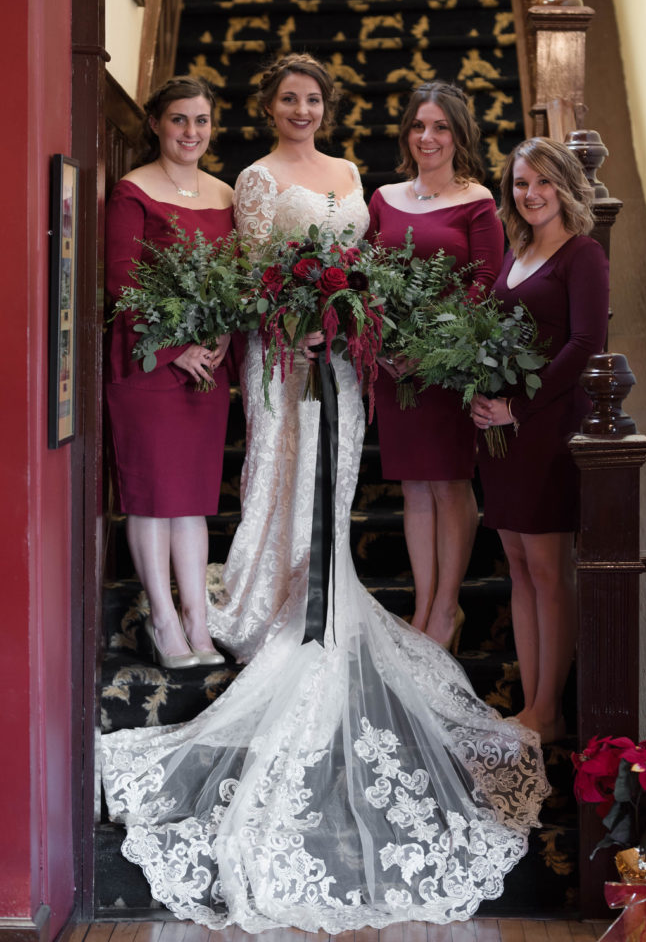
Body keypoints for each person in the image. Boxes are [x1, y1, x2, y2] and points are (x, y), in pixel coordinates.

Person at [100, 55, 550, 934]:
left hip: (346, 353)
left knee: (339, 478)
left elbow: (365, 259)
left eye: (313, 99)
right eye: (287, 99)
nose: (301, 109)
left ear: (327, 108)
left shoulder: (354, 178)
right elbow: (259, 264)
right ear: (269, 108)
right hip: (285, 348)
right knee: (283, 468)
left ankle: (325, 580)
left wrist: (342, 318)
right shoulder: (256, 181)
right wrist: (292, 324)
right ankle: (272, 594)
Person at [470, 137, 610, 744]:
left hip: (548, 426)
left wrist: (516, 406)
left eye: (543, 182)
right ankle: (531, 705)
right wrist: (478, 390)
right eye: (521, 184)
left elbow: (586, 345)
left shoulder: (584, 255)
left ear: (565, 185)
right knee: (520, 568)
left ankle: (551, 710)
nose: (530, 194)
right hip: (501, 433)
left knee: (550, 570)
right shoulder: (515, 250)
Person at [367, 82, 504, 649]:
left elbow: (487, 282)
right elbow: (368, 280)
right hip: (395, 369)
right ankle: (423, 607)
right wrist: (380, 343)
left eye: (441, 127)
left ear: (460, 135)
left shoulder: (479, 201)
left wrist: (431, 346)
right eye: (420, 126)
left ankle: (448, 609)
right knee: (414, 490)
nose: (428, 137)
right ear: (407, 133)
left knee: (449, 485)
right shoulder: (384, 198)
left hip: (448, 368)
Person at [105, 75, 233, 668]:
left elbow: (237, 283)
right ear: (156, 123)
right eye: (179, 119)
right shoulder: (132, 192)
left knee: (193, 501)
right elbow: (123, 282)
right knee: (154, 499)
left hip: (209, 366)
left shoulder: (226, 195)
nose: (191, 132)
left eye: (200, 120)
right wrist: (175, 349)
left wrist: (221, 335)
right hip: (150, 363)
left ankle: (198, 626)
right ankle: (163, 620)